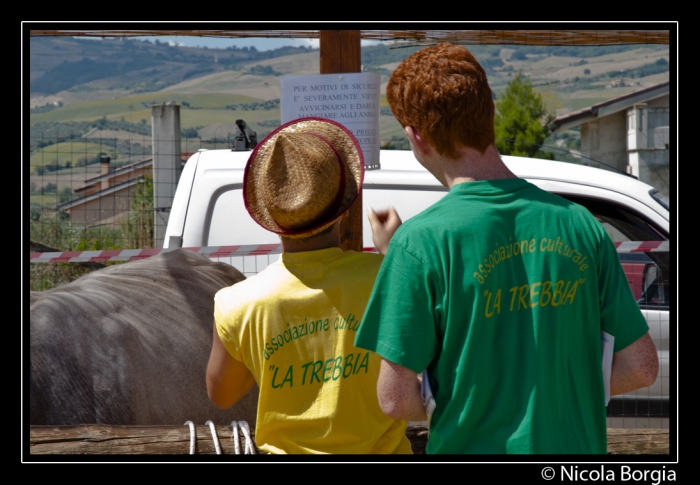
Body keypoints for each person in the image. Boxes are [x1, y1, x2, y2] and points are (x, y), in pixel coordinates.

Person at [354, 43, 659, 454]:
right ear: (491, 114)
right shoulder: (580, 224)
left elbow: (394, 399)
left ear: (416, 137)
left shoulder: (418, 243)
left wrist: (471, 398)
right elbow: (640, 368)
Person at [205, 117, 413, 455]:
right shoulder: (388, 277)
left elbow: (222, 395)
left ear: (272, 220)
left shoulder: (238, 304)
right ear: (344, 210)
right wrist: (395, 254)